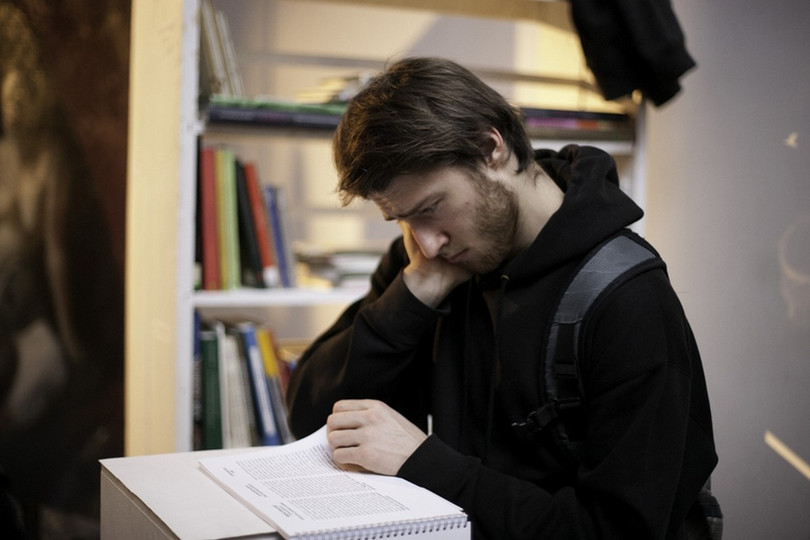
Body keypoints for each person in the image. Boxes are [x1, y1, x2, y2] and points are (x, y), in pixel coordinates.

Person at [286, 56, 718, 539]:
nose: (426, 243)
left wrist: (426, 463)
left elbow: (618, 532)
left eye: (431, 208)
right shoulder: (431, 264)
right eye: (403, 219)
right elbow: (311, 419)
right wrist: (413, 296)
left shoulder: (627, 300)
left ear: (490, 148)